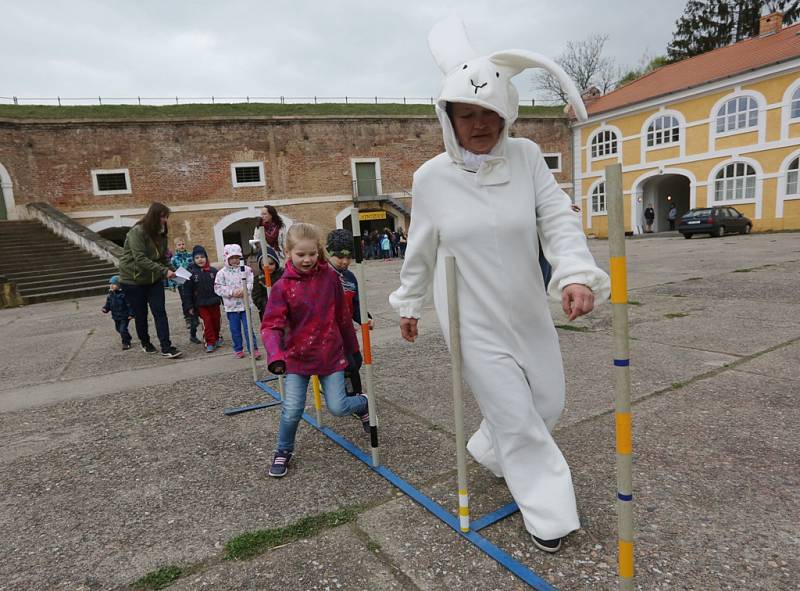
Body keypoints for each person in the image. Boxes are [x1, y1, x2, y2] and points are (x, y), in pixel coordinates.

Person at [389, 18, 610, 553]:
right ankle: (551, 516)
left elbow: (556, 217)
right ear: (449, 118)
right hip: (470, 316)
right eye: (467, 114)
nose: (479, 124)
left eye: (489, 112)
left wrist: (574, 273)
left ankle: (489, 449)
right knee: (516, 416)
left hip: (526, 305)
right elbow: (419, 246)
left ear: (506, 112)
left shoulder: (528, 158)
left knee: (548, 403)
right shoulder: (431, 178)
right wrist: (410, 302)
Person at [261, 223, 370, 478]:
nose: (307, 259)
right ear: (288, 253)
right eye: (300, 254)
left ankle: (364, 403)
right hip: (296, 359)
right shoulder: (282, 287)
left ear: (318, 251)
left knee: (338, 407)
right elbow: (270, 326)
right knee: (292, 409)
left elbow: (342, 316)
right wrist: (275, 355)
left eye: (311, 253)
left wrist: (353, 350)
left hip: (329, 355)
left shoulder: (331, 278)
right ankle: (283, 450)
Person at [118, 202, 182, 358]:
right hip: (133, 280)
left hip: (153, 280)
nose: (165, 220)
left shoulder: (161, 234)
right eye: (163, 217)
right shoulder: (137, 232)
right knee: (141, 314)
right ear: (154, 216)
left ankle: (166, 347)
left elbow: (162, 258)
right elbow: (140, 258)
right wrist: (163, 271)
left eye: (166, 217)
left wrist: (175, 272)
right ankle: (145, 342)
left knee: (160, 312)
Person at [327, 229, 373, 396]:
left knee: (357, 361)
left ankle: (340, 387)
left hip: (346, 331)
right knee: (348, 365)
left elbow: (356, 303)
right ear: (329, 253)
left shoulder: (350, 277)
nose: (345, 261)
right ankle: (353, 395)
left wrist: (364, 317)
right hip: (330, 332)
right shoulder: (322, 277)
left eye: (349, 257)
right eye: (340, 257)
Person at [214, 244, 262, 360]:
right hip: (231, 307)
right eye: (232, 257)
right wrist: (231, 292)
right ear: (227, 258)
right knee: (235, 329)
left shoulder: (246, 269)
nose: (235, 260)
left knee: (248, 328)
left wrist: (244, 290)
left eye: (237, 257)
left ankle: (253, 349)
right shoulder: (222, 273)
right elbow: (218, 288)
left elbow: (251, 283)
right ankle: (238, 349)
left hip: (245, 305)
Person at [183, 245, 223, 353]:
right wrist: (189, 306)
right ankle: (209, 342)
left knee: (216, 321)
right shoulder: (191, 274)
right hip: (201, 304)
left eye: (202, 257)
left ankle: (217, 337)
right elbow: (187, 292)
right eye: (197, 258)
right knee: (207, 323)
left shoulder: (213, 271)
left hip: (214, 301)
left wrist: (223, 299)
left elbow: (219, 286)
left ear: (206, 257)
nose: (200, 259)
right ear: (194, 259)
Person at [171, 237, 200, 344]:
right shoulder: (174, 259)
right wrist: (173, 284)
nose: (181, 246)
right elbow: (172, 271)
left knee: (195, 299)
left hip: (191, 280)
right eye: (179, 245)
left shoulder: (190, 256)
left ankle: (194, 316)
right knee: (185, 301)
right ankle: (188, 317)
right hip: (181, 282)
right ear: (176, 246)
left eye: (183, 244)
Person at [251, 246, 284, 322]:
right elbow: (256, 296)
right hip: (266, 311)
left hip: (282, 309)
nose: (268, 267)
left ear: (276, 263)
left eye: (271, 264)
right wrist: (266, 304)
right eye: (264, 265)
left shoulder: (282, 275)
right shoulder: (258, 279)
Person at [101, 275, 134, 350]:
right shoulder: (110, 295)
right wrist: (105, 308)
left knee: (122, 329)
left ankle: (126, 343)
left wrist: (131, 313)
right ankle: (128, 337)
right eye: (111, 284)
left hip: (124, 316)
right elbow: (108, 304)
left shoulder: (124, 295)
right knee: (118, 329)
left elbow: (129, 305)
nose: (111, 286)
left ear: (119, 285)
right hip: (115, 316)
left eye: (114, 284)